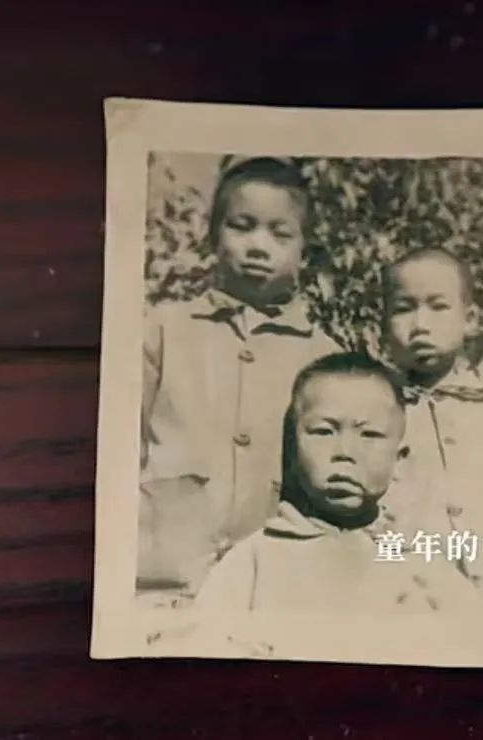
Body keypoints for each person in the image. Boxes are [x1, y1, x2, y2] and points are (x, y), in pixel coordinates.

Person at [139, 156, 339, 595]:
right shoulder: (162, 331)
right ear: (213, 236)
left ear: (304, 252)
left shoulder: (326, 359)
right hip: (163, 582)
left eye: (280, 233)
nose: (258, 246)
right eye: (242, 226)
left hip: (274, 589)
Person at [194, 352, 475, 613]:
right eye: (324, 432)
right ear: (292, 449)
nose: (345, 452)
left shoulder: (423, 566)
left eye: (370, 435)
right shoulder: (254, 562)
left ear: (399, 459)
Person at [379, 247, 483, 598]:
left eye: (438, 306)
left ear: (470, 320)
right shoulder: (373, 417)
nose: (420, 325)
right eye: (404, 308)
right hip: (408, 599)